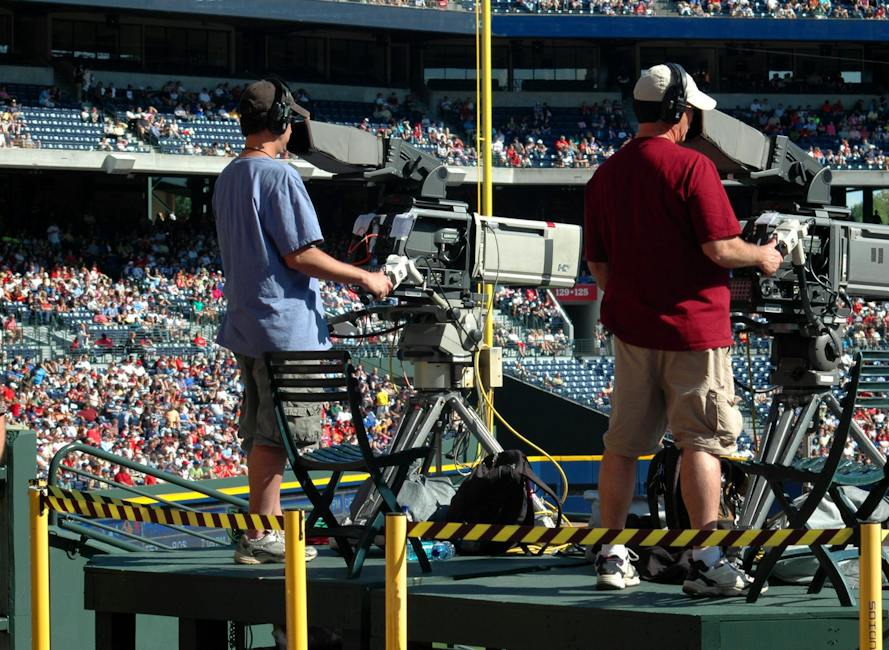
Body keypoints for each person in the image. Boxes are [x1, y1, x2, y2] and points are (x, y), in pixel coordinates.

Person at [584, 63, 783, 597]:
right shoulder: (692, 168)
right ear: (679, 111)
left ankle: (612, 552)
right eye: (691, 110)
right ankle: (705, 559)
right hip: (693, 331)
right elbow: (720, 249)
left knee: (622, 446)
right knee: (701, 442)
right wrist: (763, 256)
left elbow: (599, 266)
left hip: (631, 331)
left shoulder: (605, 174)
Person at [213, 78, 392, 566]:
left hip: (248, 327)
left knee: (260, 433)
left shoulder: (230, 174)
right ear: (281, 123)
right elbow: (301, 255)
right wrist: (365, 277)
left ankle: (258, 530)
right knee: (279, 436)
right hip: (285, 329)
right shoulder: (279, 177)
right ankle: (265, 534)